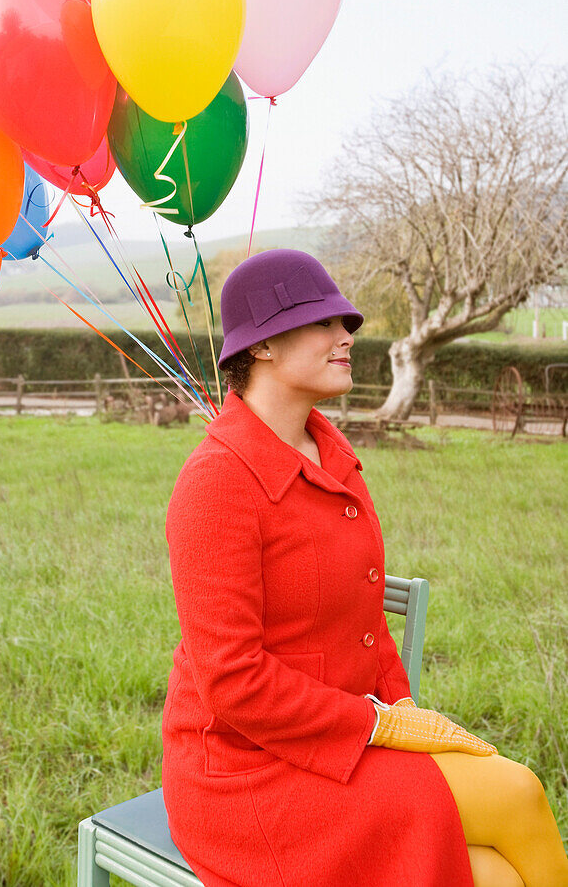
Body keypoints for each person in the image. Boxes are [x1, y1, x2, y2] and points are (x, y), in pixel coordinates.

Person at [161, 249, 568, 887]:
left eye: (343, 322)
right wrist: (384, 723)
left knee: (497, 874)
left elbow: (365, 621)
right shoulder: (215, 484)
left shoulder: (332, 454)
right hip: (247, 774)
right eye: (324, 322)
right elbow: (233, 682)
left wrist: (402, 717)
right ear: (263, 345)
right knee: (517, 793)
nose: (347, 335)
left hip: (343, 738)